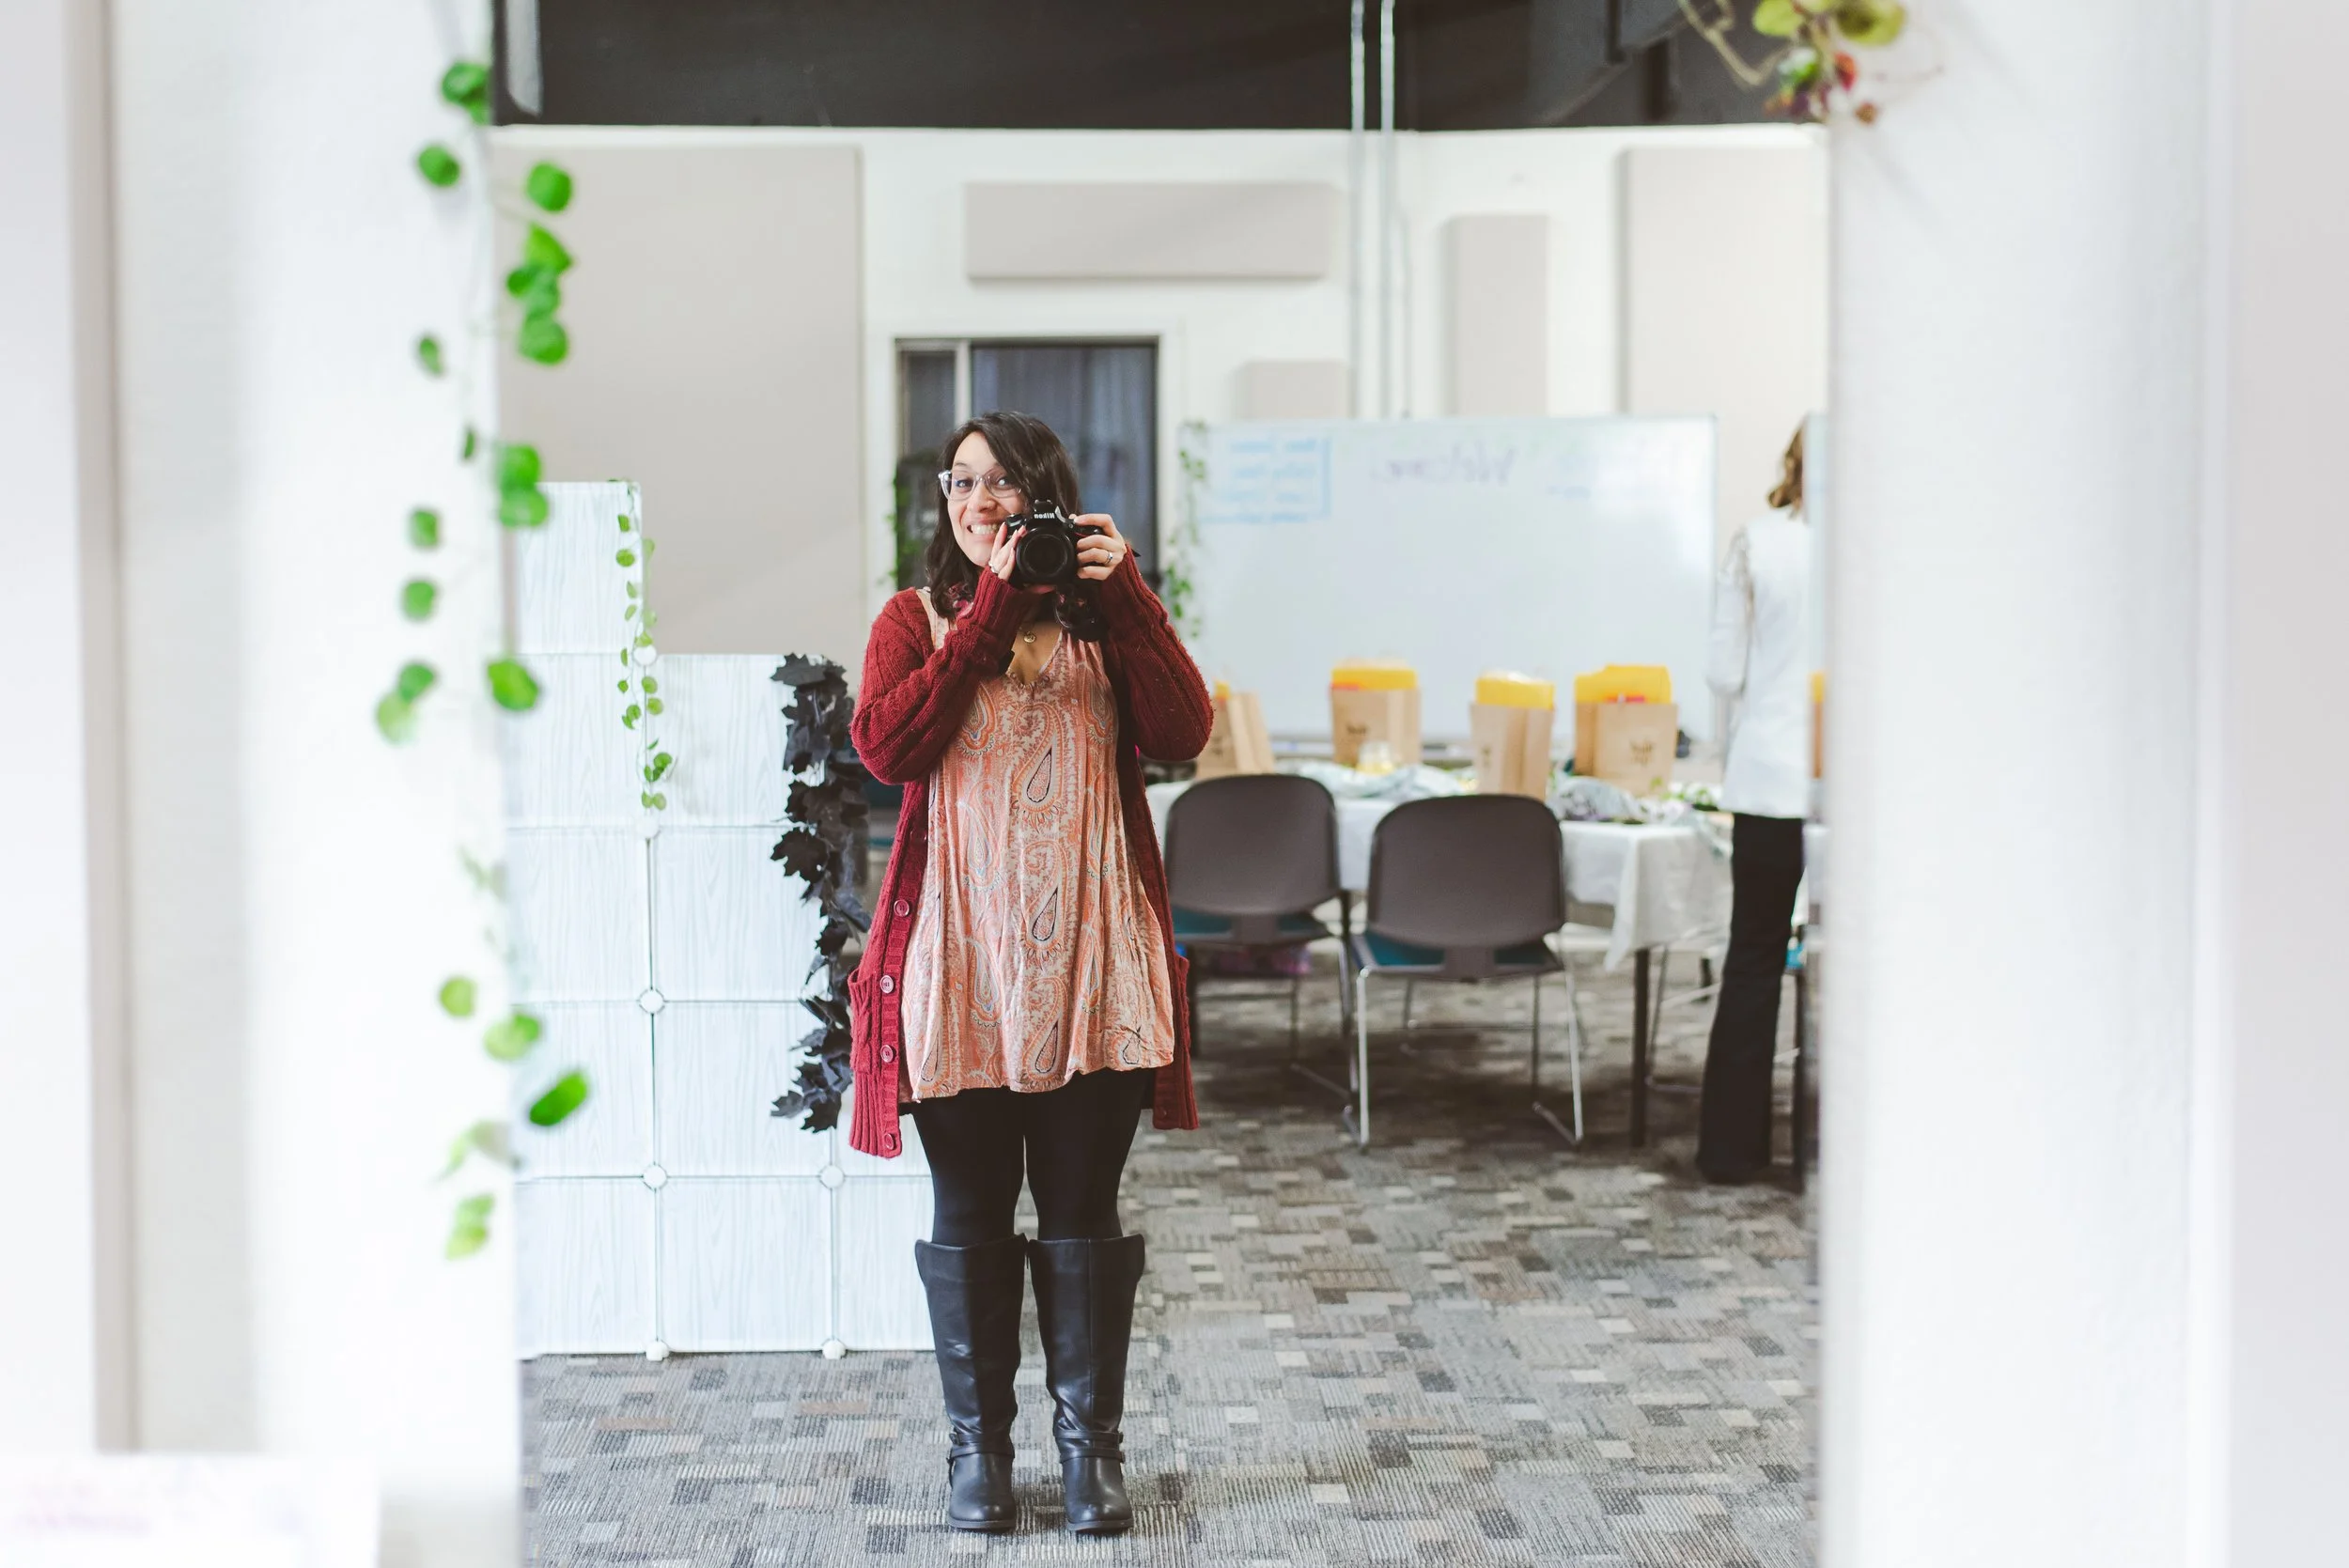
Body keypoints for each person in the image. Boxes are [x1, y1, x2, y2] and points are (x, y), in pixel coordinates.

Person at [846, 411, 1212, 1536]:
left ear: (1045, 496)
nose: (978, 500)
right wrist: (990, 612)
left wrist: (1132, 597)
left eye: (1002, 482)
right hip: (960, 965)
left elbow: (1184, 728)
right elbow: (887, 748)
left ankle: (1089, 1454)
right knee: (965, 1209)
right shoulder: (911, 623)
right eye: (961, 482)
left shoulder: (1110, 623)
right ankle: (980, 1457)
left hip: (1092, 963)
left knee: (1082, 1210)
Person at [1697, 423, 1814, 1184]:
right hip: (1865, 786)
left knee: (1754, 958)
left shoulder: (1759, 541)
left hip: (1771, 775)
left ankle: (1733, 1153)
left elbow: (1722, 669)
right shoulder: (1897, 548)